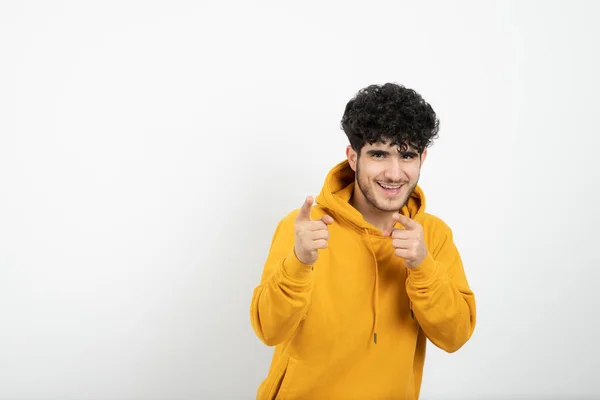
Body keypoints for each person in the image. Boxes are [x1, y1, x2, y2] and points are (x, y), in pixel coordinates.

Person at [249, 83, 476, 400]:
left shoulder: (432, 235)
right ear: (353, 157)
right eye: (379, 154)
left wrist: (422, 266)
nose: (394, 173)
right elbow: (269, 331)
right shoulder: (304, 228)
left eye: (407, 155)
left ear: (422, 158)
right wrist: (299, 263)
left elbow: (455, 336)